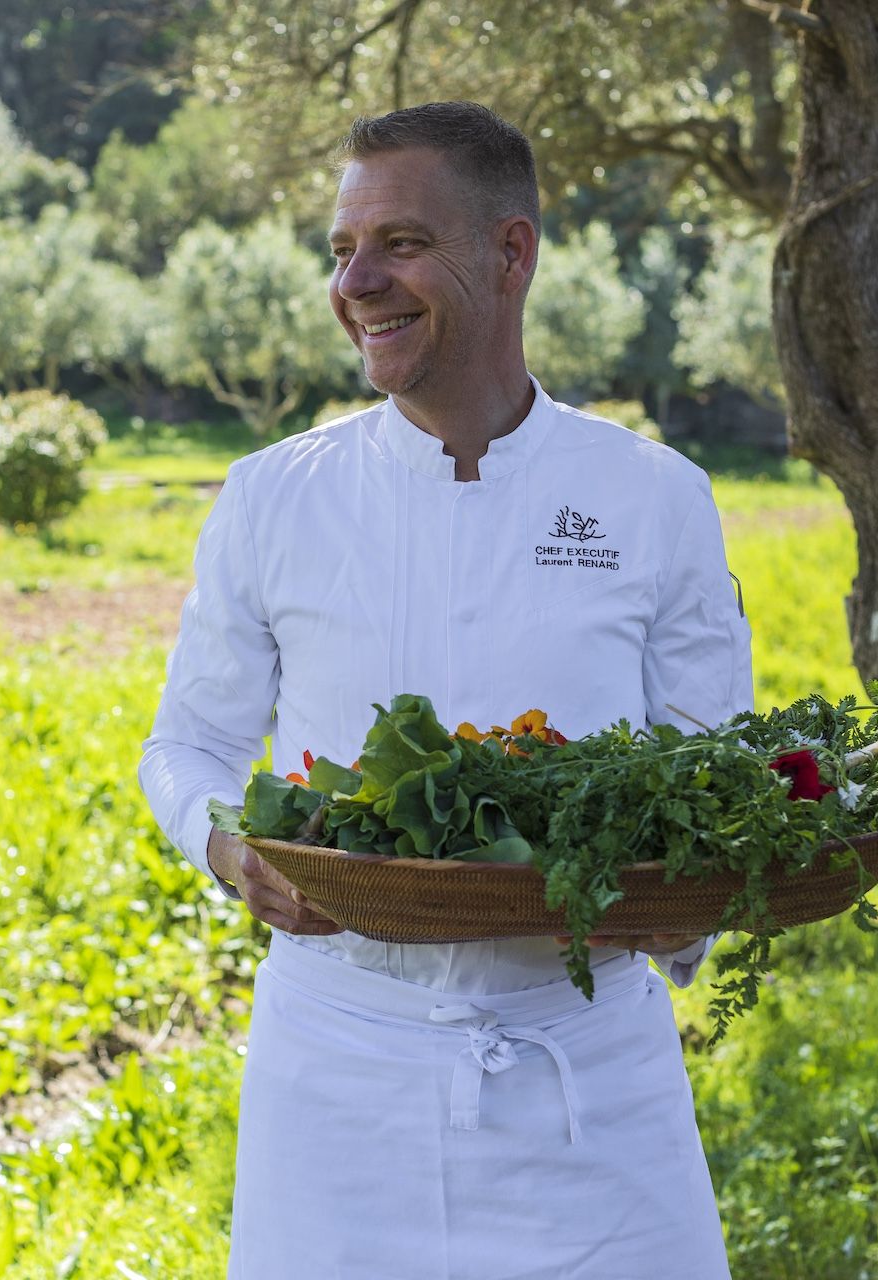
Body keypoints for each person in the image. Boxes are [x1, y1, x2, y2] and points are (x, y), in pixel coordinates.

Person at [139, 100, 748, 1279]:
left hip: (591, 1081)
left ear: (510, 252)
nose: (357, 281)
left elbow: (713, 784)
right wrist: (228, 850)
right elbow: (187, 747)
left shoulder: (652, 497)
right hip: (340, 1078)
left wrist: (697, 904)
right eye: (340, 250)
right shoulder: (272, 497)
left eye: (401, 244)